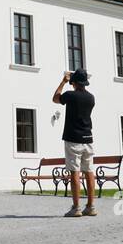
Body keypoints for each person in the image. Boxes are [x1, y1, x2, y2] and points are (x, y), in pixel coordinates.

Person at [53, 68, 96, 217]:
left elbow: (55, 98)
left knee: (75, 173)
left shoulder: (70, 95)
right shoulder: (91, 98)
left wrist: (63, 81)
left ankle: (76, 207)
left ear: (74, 82)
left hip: (73, 139)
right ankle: (91, 206)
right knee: (89, 172)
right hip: (88, 139)